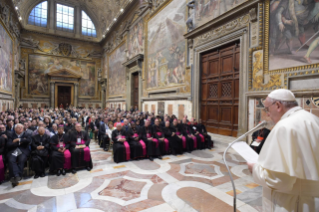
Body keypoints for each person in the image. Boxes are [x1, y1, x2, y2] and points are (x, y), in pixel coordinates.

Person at [247, 89, 319, 212]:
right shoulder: (313, 119)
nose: (268, 114)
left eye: (267, 109)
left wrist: (254, 168)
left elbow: (277, 180)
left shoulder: (284, 126)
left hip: (293, 203)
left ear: (278, 106)